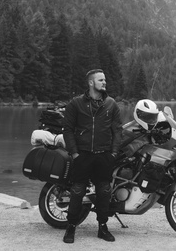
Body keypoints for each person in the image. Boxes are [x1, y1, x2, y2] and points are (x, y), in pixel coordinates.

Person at [62, 69, 123, 244]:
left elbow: (117, 131)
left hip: (103, 156)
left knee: (104, 192)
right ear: (91, 83)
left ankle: (102, 228)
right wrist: (74, 153)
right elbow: (67, 129)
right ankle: (71, 227)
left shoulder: (111, 104)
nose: (104, 82)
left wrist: (113, 153)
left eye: (105, 80)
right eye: (100, 80)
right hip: (83, 155)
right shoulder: (76, 104)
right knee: (77, 191)